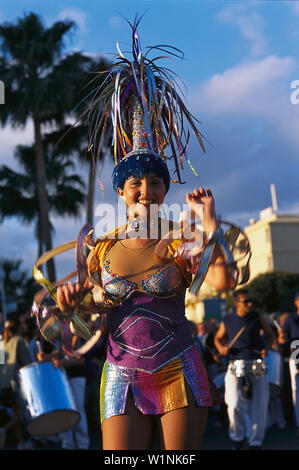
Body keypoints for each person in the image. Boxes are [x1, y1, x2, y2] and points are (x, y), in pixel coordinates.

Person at [34, 19, 238, 451]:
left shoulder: (183, 237)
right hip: (120, 371)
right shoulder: (100, 248)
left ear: (166, 188)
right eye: (136, 183)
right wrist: (71, 304)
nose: (146, 190)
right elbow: (88, 316)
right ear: (122, 191)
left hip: (178, 367)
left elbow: (222, 283)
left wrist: (210, 228)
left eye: (156, 182)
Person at [214, 289, 275, 450]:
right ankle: (238, 437)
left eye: (250, 300)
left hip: (256, 362)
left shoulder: (257, 316)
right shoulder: (227, 319)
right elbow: (217, 338)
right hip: (235, 364)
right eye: (245, 301)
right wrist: (221, 348)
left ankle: (255, 442)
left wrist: (267, 347)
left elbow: (270, 335)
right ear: (236, 303)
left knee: (259, 406)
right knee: (233, 403)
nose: (250, 304)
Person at [0, 317, 32, 449]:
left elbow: (1, 365)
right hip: (15, 384)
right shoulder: (18, 340)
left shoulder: (2, 343)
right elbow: (27, 362)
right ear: (18, 328)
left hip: (3, 384)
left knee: (16, 414)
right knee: (20, 415)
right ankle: (3, 430)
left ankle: (22, 443)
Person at [280, 292, 299, 433]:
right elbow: (284, 339)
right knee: (296, 389)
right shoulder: (291, 318)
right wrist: (281, 339)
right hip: (296, 351)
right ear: (296, 302)